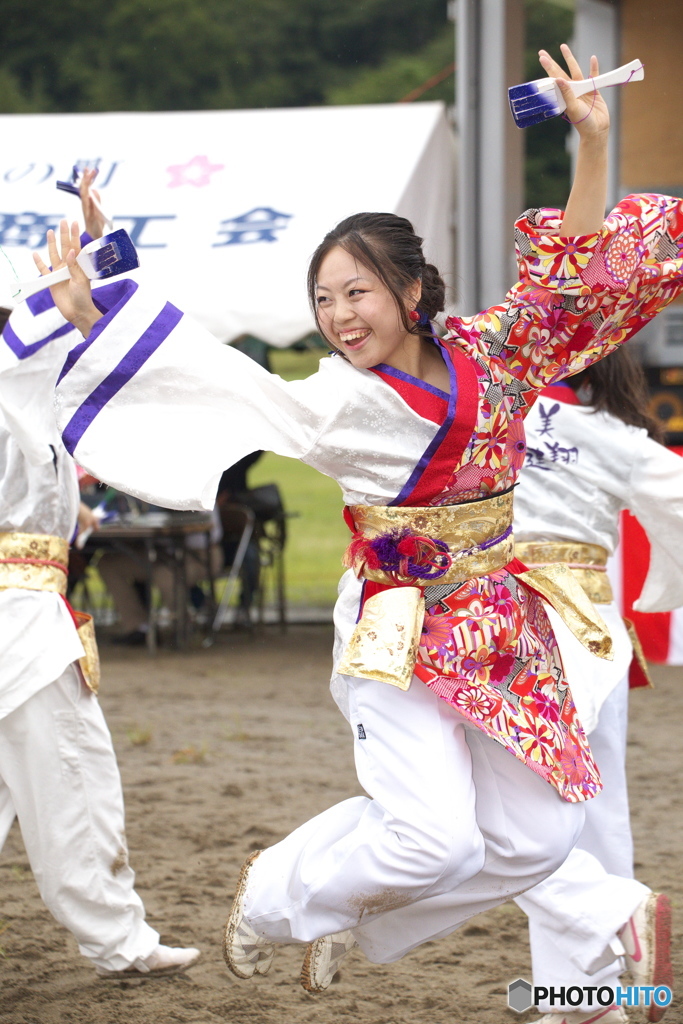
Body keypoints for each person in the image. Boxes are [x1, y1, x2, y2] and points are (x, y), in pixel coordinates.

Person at [36, 46, 683, 995]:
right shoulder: (339, 402)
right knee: (429, 833)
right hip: (395, 625)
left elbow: (569, 285)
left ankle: (351, 912)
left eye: (358, 292)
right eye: (324, 299)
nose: (339, 316)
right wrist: (103, 310)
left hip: (500, 622)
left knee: (539, 838)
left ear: (412, 293)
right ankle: (272, 899)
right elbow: (221, 379)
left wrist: (590, 141)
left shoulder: (489, 351)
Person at [0, 177, 200, 977]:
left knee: (70, 777)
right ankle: (119, 941)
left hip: (31, 607)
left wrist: (100, 241)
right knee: (74, 775)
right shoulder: (15, 368)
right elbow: (77, 318)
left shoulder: (26, 389)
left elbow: (96, 322)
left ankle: (119, 938)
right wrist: (91, 254)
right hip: (19, 617)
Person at [512, 346, 681, 1024]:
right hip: (596, 634)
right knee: (597, 806)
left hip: (514, 631)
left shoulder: (499, 413)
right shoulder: (622, 438)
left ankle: (586, 979)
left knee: (516, 818)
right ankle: (592, 993)